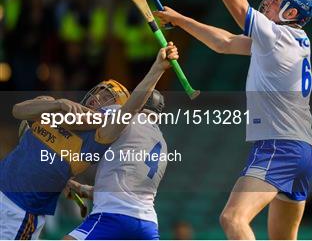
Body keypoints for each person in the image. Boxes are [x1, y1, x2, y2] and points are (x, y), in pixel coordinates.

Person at [154, 0, 312, 240]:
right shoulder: (292, 40)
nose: (267, 2)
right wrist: (180, 20)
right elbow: (226, 42)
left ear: (291, 13)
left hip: (278, 145)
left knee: (232, 219)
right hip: (304, 149)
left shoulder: (275, 35)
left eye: (275, 1)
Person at [0, 43, 178, 240]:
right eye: (100, 91)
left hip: (19, 211)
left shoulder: (98, 138)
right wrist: (57, 104)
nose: (98, 98)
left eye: (108, 98)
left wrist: (158, 68)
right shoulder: (52, 105)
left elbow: (131, 109)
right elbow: (18, 111)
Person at [65, 89, 169, 240]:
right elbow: (128, 193)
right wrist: (84, 190)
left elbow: (81, 118)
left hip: (112, 217)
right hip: (148, 224)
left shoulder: (125, 115)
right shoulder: (163, 143)